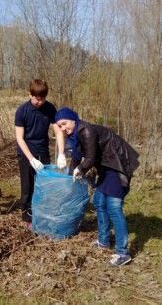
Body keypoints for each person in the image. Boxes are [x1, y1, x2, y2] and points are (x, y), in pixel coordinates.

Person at [55, 107, 136, 267]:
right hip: (106, 166)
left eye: (65, 124)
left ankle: (122, 252)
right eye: (60, 126)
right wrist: (69, 177)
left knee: (113, 207)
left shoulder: (86, 130)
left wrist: (80, 170)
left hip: (117, 165)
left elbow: (90, 158)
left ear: (73, 119)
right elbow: (77, 158)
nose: (64, 129)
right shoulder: (75, 136)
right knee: (99, 201)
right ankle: (103, 241)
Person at [15, 79, 65, 226]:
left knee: (44, 183)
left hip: (42, 150)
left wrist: (61, 153)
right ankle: (27, 217)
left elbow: (59, 132)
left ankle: (42, 212)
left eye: (43, 99)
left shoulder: (49, 108)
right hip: (26, 152)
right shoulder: (22, 111)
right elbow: (19, 138)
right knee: (27, 185)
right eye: (37, 99)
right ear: (30, 94)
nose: (40, 102)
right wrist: (31, 159)